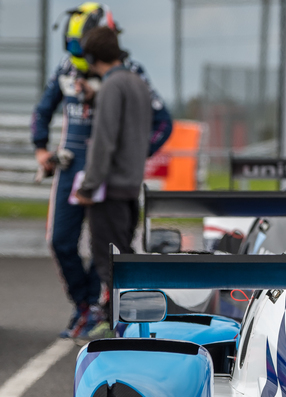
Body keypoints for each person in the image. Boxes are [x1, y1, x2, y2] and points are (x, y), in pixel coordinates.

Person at [31, 2, 172, 339]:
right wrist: (40, 148)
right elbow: (42, 110)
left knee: (106, 248)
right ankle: (84, 304)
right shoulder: (68, 70)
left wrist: (136, 155)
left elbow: (161, 122)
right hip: (73, 172)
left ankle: (107, 309)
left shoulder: (128, 74)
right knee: (62, 241)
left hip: (105, 177)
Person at [73, 26, 153, 338]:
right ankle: (130, 323)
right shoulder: (137, 83)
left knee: (109, 262)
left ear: (91, 57)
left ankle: (122, 328)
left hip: (109, 191)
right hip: (131, 186)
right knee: (125, 256)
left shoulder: (111, 87)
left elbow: (104, 142)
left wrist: (87, 187)